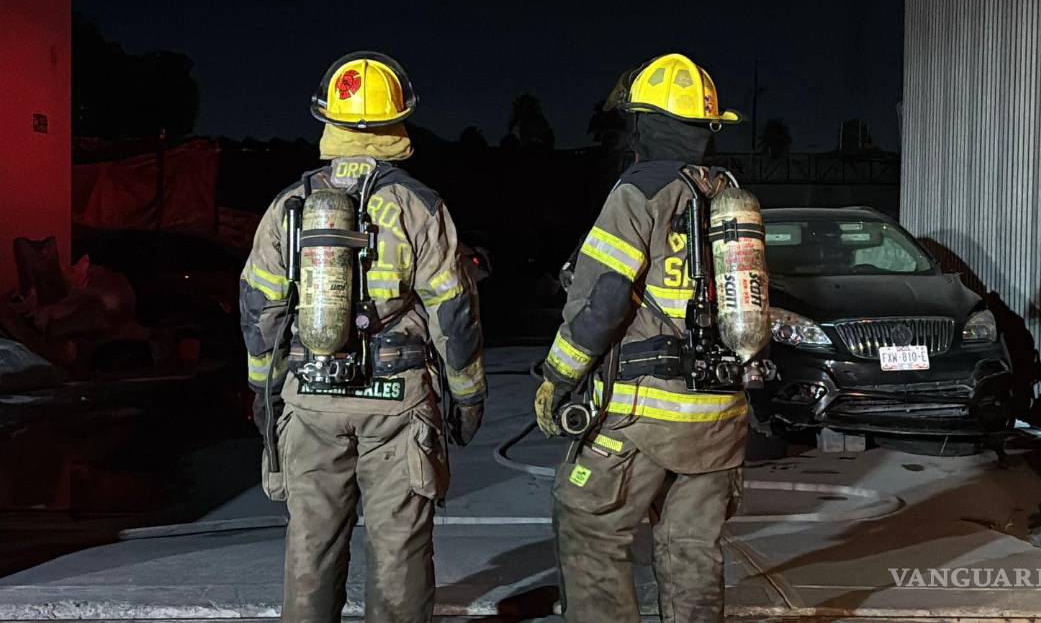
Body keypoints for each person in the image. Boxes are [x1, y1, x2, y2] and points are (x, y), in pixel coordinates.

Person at [240, 51, 486, 623]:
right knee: (399, 550)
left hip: (310, 399)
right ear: (400, 119)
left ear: (328, 118)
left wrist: (264, 392)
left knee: (311, 545)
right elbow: (454, 313)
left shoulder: (289, 206)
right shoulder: (419, 205)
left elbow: (258, 310)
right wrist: (468, 395)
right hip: (397, 401)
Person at [535, 53, 747, 623]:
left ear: (644, 122)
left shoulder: (640, 190)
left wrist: (558, 376)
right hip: (719, 419)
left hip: (643, 417)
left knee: (589, 527)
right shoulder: (727, 195)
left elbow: (604, 300)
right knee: (691, 553)